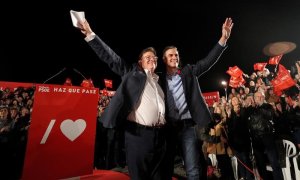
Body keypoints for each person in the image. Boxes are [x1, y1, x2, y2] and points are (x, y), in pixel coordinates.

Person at [77, 20, 167, 180]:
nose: (152, 59)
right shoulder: (131, 74)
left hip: (160, 137)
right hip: (139, 136)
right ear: (140, 62)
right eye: (148, 57)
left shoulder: (159, 83)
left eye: (154, 57)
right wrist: (91, 35)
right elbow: (111, 58)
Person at [161, 17, 233, 179]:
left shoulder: (188, 71)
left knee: (193, 168)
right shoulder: (158, 79)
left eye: (177, 55)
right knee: (166, 167)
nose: (175, 57)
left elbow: (208, 61)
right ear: (164, 59)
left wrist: (223, 39)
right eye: (171, 55)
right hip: (169, 129)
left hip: (188, 128)